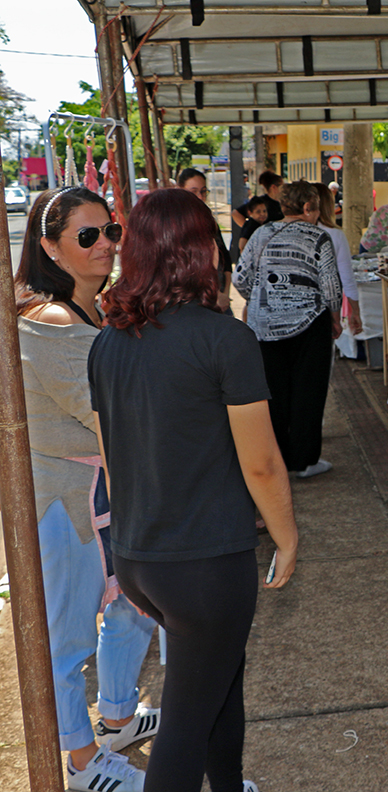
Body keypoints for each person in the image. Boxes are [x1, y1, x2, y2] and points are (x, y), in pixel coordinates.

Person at [89, 188, 300, 792]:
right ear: (201, 250)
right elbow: (261, 463)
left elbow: (112, 455)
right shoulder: (224, 339)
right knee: (184, 725)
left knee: (217, 683)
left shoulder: (109, 340)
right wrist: (287, 537)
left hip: (139, 557)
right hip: (204, 563)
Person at [17, 187, 158, 792]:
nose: (105, 245)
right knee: (68, 635)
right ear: (50, 247)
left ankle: (119, 719)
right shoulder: (52, 322)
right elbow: (108, 415)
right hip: (69, 501)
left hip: (109, 488)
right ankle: (80, 762)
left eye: (111, 233)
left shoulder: (94, 309)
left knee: (136, 606)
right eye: (87, 236)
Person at [235, 180, 343, 479]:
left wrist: (260, 301)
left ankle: (277, 459)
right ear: (308, 207)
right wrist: (336, 318)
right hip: (310, 323)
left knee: (274, 393)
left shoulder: (260, 234)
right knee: (308, 391)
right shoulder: (318, 236)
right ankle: (305, 461)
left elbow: (240, 278)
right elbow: (331, 285)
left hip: (264, 326)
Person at [178, 168, 234, 313]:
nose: (200, 197)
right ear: (181, 191)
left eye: (203, 191)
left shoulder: (210, 222)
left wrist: (225, 293)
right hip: (194, 304)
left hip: (220, 299)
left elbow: (225, 258)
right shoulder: (176, 226)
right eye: (194, 191)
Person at [314, 182, 363, 336]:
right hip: (323, 310)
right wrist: (355, 311)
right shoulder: (334, 234)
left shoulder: (285, 232)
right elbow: (346, 277)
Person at [230, 171, 285, 259]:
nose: (262, 213)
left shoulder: (282, 204)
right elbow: (235, 213)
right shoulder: (260, 203)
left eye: (264, 211)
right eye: (282, 186)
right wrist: (249, 228)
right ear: (274, 187)